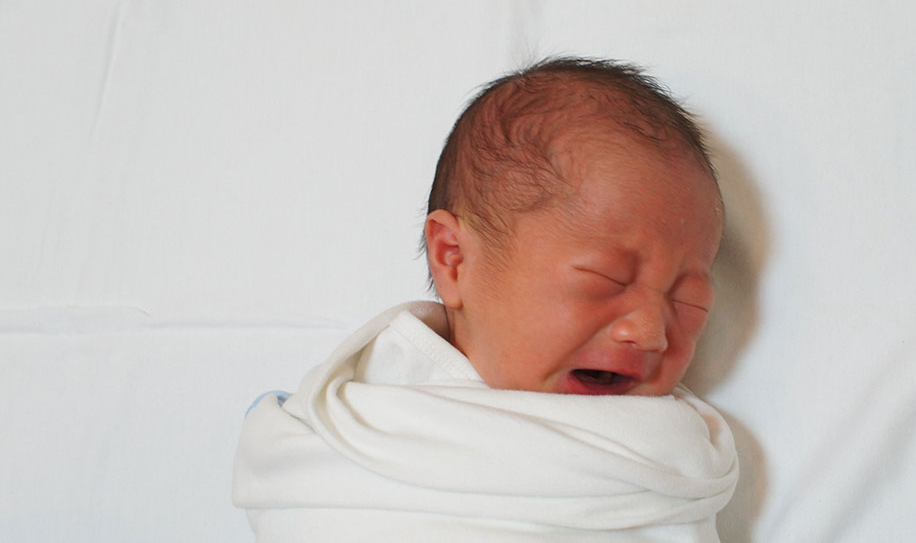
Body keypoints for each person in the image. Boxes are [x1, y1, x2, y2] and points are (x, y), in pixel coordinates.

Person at [233, 57, 738, 542]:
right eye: (606, 279)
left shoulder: (671, 455)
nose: (650, 332)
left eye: (689, 300)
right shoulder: (347, 435)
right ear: (454, 259)